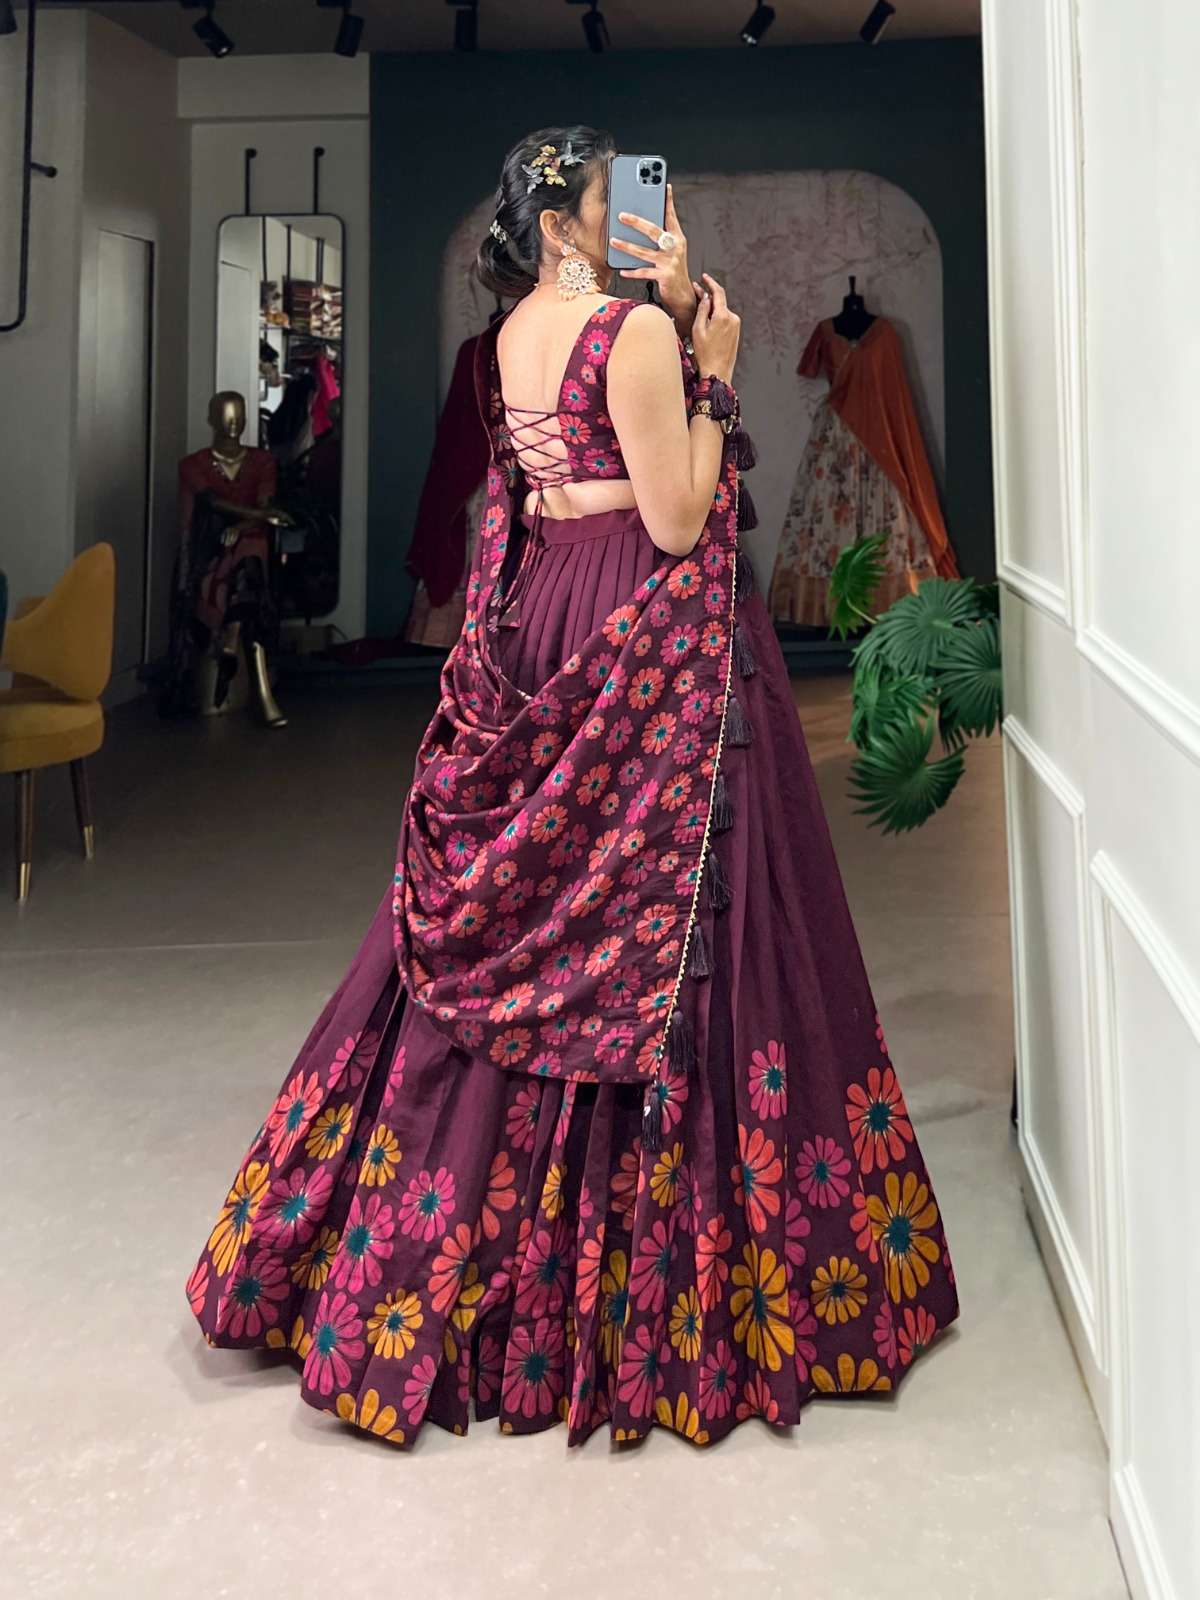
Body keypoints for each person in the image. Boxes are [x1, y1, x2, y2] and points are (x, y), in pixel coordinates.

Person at [187, 126, 959, 1449]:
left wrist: (674, 325)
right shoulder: (636, 333)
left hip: (549, 611)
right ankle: (670, 1285)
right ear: (557, 225)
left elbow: (550, 486)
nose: (630, 219)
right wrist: (717, 373)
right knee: (678, 910)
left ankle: (441, 1260)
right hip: (645, 625)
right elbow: (676, 517)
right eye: (610, 204)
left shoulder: (509, 339)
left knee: (541, 902)